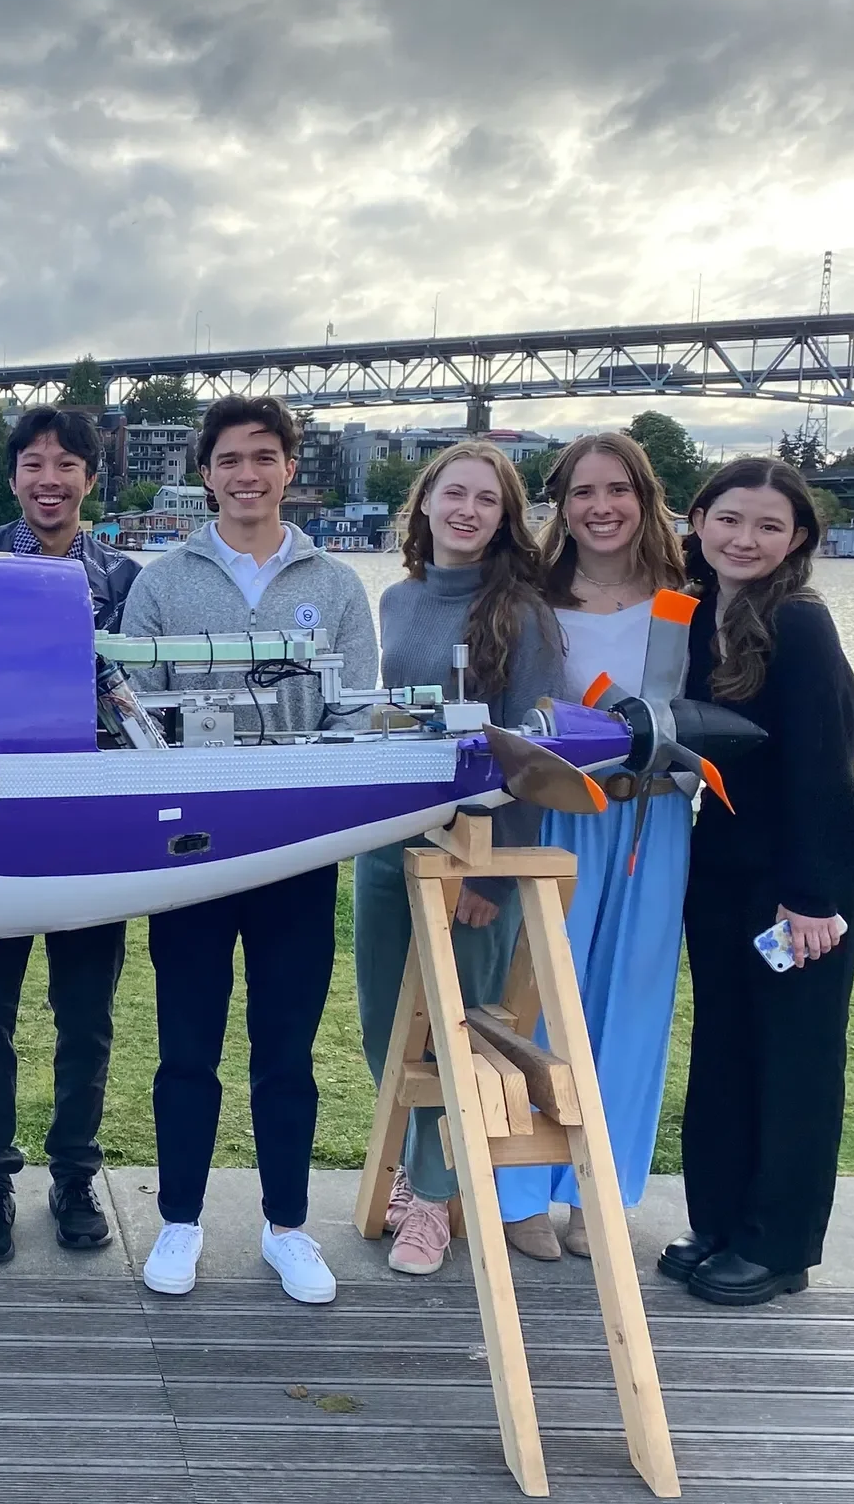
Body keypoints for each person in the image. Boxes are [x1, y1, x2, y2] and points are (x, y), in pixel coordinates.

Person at [120, 396, 377, 1302]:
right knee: (186, 1044)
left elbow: (356, 711)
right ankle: (181, 1221)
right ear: (207, 473)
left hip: (298, 850)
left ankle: (288, 1226)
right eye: (229, 459)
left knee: (286, 1049)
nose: (247, 475)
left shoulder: (337, 586)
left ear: (289, 469)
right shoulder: (161, 581)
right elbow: (137, 706)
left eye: (264, 458)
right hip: (190, 845)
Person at [352, 440, 568, 1277]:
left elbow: (533, 750)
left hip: (475, 850)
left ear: (506, 518)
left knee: (459, 1026)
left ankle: (436, 1201)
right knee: (386, 1026)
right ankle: (418, 1169)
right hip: (387, 840)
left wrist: (491, 867)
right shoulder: (398, 602)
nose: (468, 510)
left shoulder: (524, 614)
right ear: (427, 503)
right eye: (455, 494)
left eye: (487, 499)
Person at [665, 457, 854, 1306]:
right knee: (724, 1047)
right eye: (730, 519)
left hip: (799, 876)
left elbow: (826, 766)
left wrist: (812, 896)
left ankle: (778, 1246)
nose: (745, 538)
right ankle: (719, 1221)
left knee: (794, 1059)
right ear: (701, 520)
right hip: (723, 865)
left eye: (769, 526)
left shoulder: (798, 621)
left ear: (796, 541)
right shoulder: (695, 607)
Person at [493, 433, 690, 1260]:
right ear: (560, 506)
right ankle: (520, 1188)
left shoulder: (686, 599)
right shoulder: (531, 599)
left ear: (645, 499)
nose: (601, 507)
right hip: (564, 814)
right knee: (544, 996)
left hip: (656, 822)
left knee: (632, 1005)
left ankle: (598, 1190)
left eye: (619, 490)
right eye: (582, 492)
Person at [0, 408, 139, 1262]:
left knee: (86, 1016)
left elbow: (143, 691)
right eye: (33, 465)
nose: (49, 481)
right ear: (13, 477)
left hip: (94, 819)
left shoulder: (127, 579)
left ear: (90, 480)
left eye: (66, 465)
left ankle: (73, 1175)